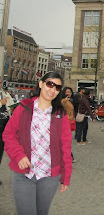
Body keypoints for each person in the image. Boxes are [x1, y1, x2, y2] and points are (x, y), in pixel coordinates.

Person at [3, 71, 72, 215]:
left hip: (49, 177)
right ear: (41, 84)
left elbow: (65, 146)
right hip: (24, 175)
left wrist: (66, 176)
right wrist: (18, 155)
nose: (52, 90)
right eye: (50, 84)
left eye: (57, 87)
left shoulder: (60, 114)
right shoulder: (24, 108)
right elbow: (8, 134)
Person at [0, 76, 14, 185]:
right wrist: (1, 103)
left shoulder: (4, 93)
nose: (0, 84)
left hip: (4, 127)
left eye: (0, 82)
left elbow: (10, 105)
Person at [61, 87, 76, 163]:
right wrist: (65, 100)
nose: (68, 93)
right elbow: (62, 103)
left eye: (69, 92)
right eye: (66, 92)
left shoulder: (70, 101)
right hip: (65, 121)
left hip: (69, 121)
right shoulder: (64, 100)